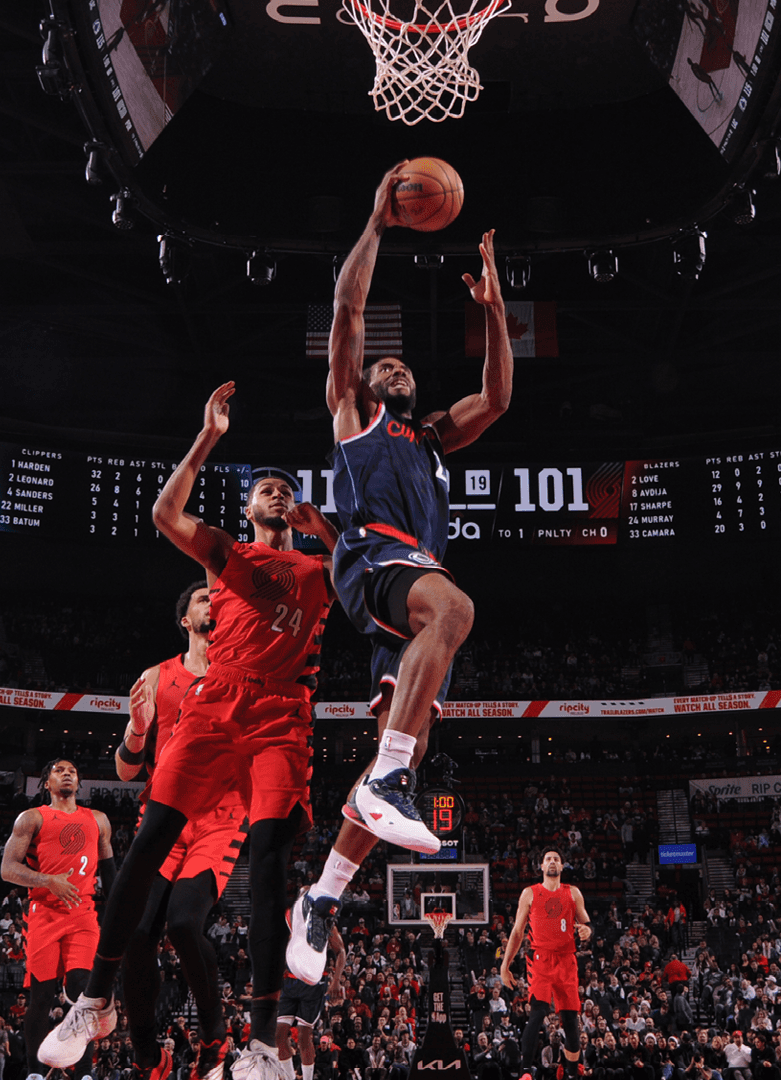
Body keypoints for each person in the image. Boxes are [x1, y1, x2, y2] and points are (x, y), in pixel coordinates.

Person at [54, 382, 340, 1078]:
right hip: (221, 701)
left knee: (269, 865)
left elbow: (365, 573)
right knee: (148, 839)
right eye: (265, 488)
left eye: (285, 489)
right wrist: (209, 436)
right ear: (247, 509)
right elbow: (164, 512)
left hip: (283, 712)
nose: (276, 493)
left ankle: (262, 1045)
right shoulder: (228, 557)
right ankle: (94, 1000)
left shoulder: (319, 570)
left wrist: (327, 528)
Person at [287, 162, 513, 987]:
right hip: (377, 561)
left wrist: (494, 313)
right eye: (387, 367)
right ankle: (390, 775)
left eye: (404, 370)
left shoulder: (434, 437)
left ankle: (321, 897)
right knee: (456, 610)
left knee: (405, 751)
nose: (397, 370)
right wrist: (378, 223)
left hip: (410, 588)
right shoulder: (354, 412)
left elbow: (496, 397)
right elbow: (348, 309)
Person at [118, 581, 242, 1080]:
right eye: (203, 598)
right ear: (186, 620)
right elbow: (126, 769)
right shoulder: (155, 676)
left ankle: (214, 1036)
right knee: (135, 933)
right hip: (162, 813)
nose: (214, 602)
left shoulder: (243, 673)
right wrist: (138, 728)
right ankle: (149, 1056)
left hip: (219, 815)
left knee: (185, 925)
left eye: (218, 599)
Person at [0, 758, 113, 1071]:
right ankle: (35, 1073)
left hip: (83, 913)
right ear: (47, 783)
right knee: (41, 997)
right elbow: (7, 869)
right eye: (59, 770)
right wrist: (48, 880)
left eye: (72, 771)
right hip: (44, 913)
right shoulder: (32, 818)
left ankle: (84, 1074)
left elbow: (110, 874)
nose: (67, 774)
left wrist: (122, 912)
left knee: (82, 992)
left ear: (78, 783)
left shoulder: (98, 820)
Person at [501, 850, 592, 1080]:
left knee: (571, 1021)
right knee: (537, 1012)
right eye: (548, 859)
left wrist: (587, 930)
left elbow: (587, 923)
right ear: (541, 866)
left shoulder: (573, 892)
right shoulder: (530, 893)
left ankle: (571, 1073)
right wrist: (505, 965)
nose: (552, 862)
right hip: (541, 959)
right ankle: (525, 1072)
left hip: (567, 959)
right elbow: (517, 932)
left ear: (562, 866)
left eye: (556, 859)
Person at [276, 915, 345, 1080]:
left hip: (313, 983)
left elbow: (341, 951)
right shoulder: (289, 920)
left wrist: (336, 981)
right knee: (279, 1035)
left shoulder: (326, 923)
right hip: (290, 981)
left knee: (304, 1035)